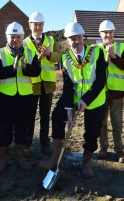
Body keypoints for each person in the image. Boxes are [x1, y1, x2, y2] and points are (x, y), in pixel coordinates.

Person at [39, 22, 106, 178]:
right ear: (67, 41)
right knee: (57, 116)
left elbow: (101, 80)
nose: (76, 41)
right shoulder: (65, 58)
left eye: (78, 37)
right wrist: (69, 111)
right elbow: (68, 87)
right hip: (75, 97)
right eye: (72, 39)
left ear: (83, 38)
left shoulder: (97, 53)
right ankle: (56, 159)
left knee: (92, 132)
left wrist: (87, 100)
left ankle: (86, 162)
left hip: (95, 100)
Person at [0, 22, 41, 175]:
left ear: (22, 37)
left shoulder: (31, 53)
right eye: (12, 37)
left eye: (18, 37)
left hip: (25, 98)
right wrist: (12, 69)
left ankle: (21, 160)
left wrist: (26, 68)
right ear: (7, 37)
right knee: (5, 131)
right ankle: (3, 162)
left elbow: (36, 72)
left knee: (22, 131)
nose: (15, 40)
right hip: (6, 98)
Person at [23, 12, 62, 156]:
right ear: (30, 25)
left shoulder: (50, 40)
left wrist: (49, 54)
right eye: (35, 24)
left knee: (45, 116)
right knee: (30, 116)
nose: (38, 27)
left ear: (43, 26)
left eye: (40, 24)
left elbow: (61, 57)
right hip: (31, 84)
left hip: (47, 84)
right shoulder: (24, 42)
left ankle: (44, 143)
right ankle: (27, 143)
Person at [95, 20, 124, 162]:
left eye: (110, 32)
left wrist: (114, 56)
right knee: (101, 121)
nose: (108, 34)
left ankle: (119, 150)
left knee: (117, 122)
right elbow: (95, 69)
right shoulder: (94, 49)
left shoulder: (121, 47)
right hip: (101, 91)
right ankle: (103, 147)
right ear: (100, 34)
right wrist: (106, 59)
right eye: (105, 32)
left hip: (116, 91)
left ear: (114, 33)